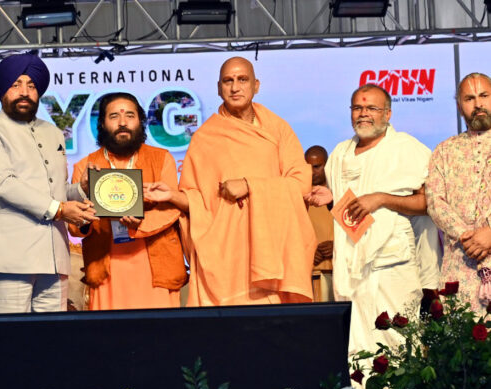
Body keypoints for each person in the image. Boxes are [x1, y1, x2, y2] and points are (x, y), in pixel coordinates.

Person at [145, 56, 316, 305]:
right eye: (228, 81)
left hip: (271, 250)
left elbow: (300, 184)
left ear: (256, 85)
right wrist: (172, 195)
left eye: (242, 80)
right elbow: (198, 202)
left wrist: (249, 185)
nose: (235, 87)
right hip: (226, 255)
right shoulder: (205, 138)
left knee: (272, 324)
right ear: (218, 88)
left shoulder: (278, 130)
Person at [0, 52, 97, 313]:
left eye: (32, 86)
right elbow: (4, 184)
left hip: (54, 256)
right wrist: (60, 210)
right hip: (10, 257)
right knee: (14, 335)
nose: (25, 92)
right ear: (2, 90)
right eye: (16, 85)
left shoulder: (53, 132)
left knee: (52, 335)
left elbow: (55, 190)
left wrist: (80, 189)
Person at [318, 84, 438, 358]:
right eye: (358, 108)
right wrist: (330, 199)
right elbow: (348, 207)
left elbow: (429, 204)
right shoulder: (339, 153)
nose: (364, 114)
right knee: (355, 349)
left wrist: (381, 198)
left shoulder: (405, 148)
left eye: (372, 108)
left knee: (396, 343)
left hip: (391, 263)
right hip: (349, 267)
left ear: (387, 114)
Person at [68, 92, 187, 310]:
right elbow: (75, 228)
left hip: (157, 269)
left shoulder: (162, 159)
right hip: (106, 272)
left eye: (130, 115)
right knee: (112, 330)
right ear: (102, 123)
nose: (123, 122)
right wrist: (85, 195)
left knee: (160, 331)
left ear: (140, 121)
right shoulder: (85, 166)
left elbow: (172, 210)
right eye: (114, 116)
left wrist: (140, 223)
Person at [427, 72, 491, 313]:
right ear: (459, 105)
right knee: (462, 335)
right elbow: (435, 202)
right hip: (461, 263)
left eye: (484, 96)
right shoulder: (445, 151)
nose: (478, 104)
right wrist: (469, 237)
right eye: (469, 98)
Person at [304, 145, 334, 302]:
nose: (312, 172)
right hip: (308, 275)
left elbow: (359, 232)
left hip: (338, 274)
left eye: (316, 167)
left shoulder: (340, 193)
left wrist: (337, 246)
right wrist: (307, 252)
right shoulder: (300, 198)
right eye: (307, 167)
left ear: (327, 165)